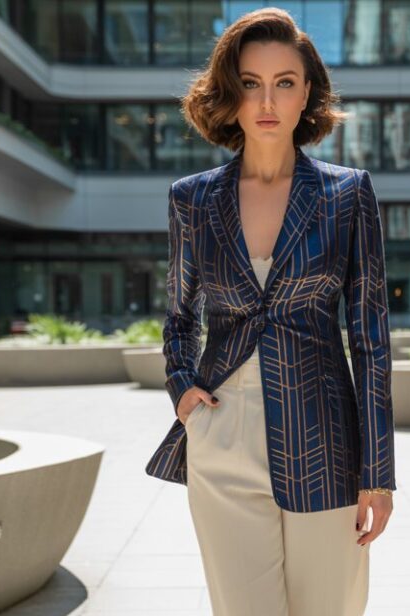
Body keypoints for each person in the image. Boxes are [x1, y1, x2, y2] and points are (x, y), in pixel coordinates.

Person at [145, 7, 396, 615]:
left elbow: (370, 341)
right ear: (229, 93)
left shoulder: (346, 194)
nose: (268, 100)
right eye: (251, 82)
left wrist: (379, 470)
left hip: (325, 440)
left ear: (306, 92)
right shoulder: (193, 200)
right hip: (221, 437)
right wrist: (183, 390)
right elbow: (179, 317)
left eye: (285, 81)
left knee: (329, 607)